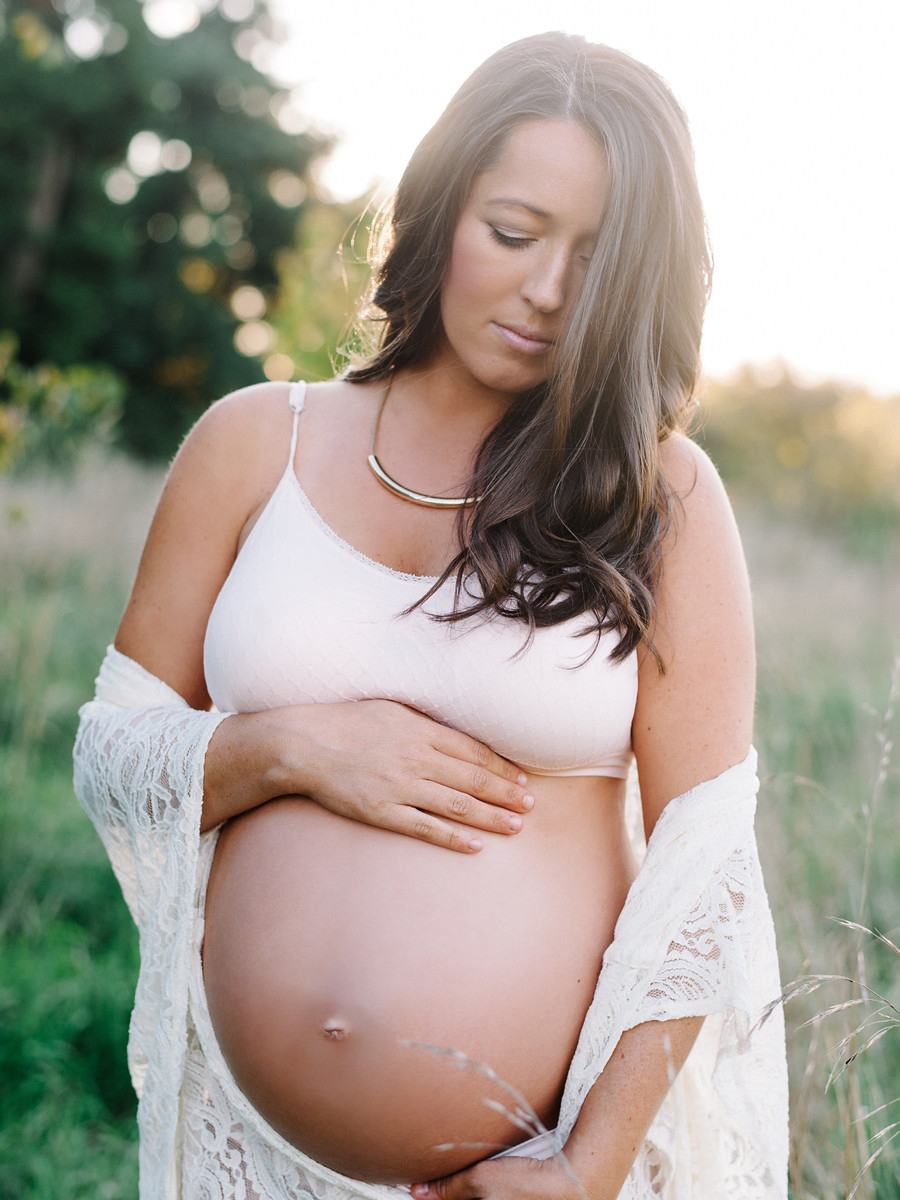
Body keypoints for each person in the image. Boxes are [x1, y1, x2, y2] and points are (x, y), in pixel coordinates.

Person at [74, 31, 789, 1200]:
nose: (548, 292)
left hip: (526, 1174)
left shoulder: (661, 497)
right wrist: (285, 748)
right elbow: (110, 754)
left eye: (596, 261)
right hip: (253, 1161)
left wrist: (586, 1172)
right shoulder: (257, 442)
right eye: (513, 232)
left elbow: (702, 873)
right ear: (442, 204)